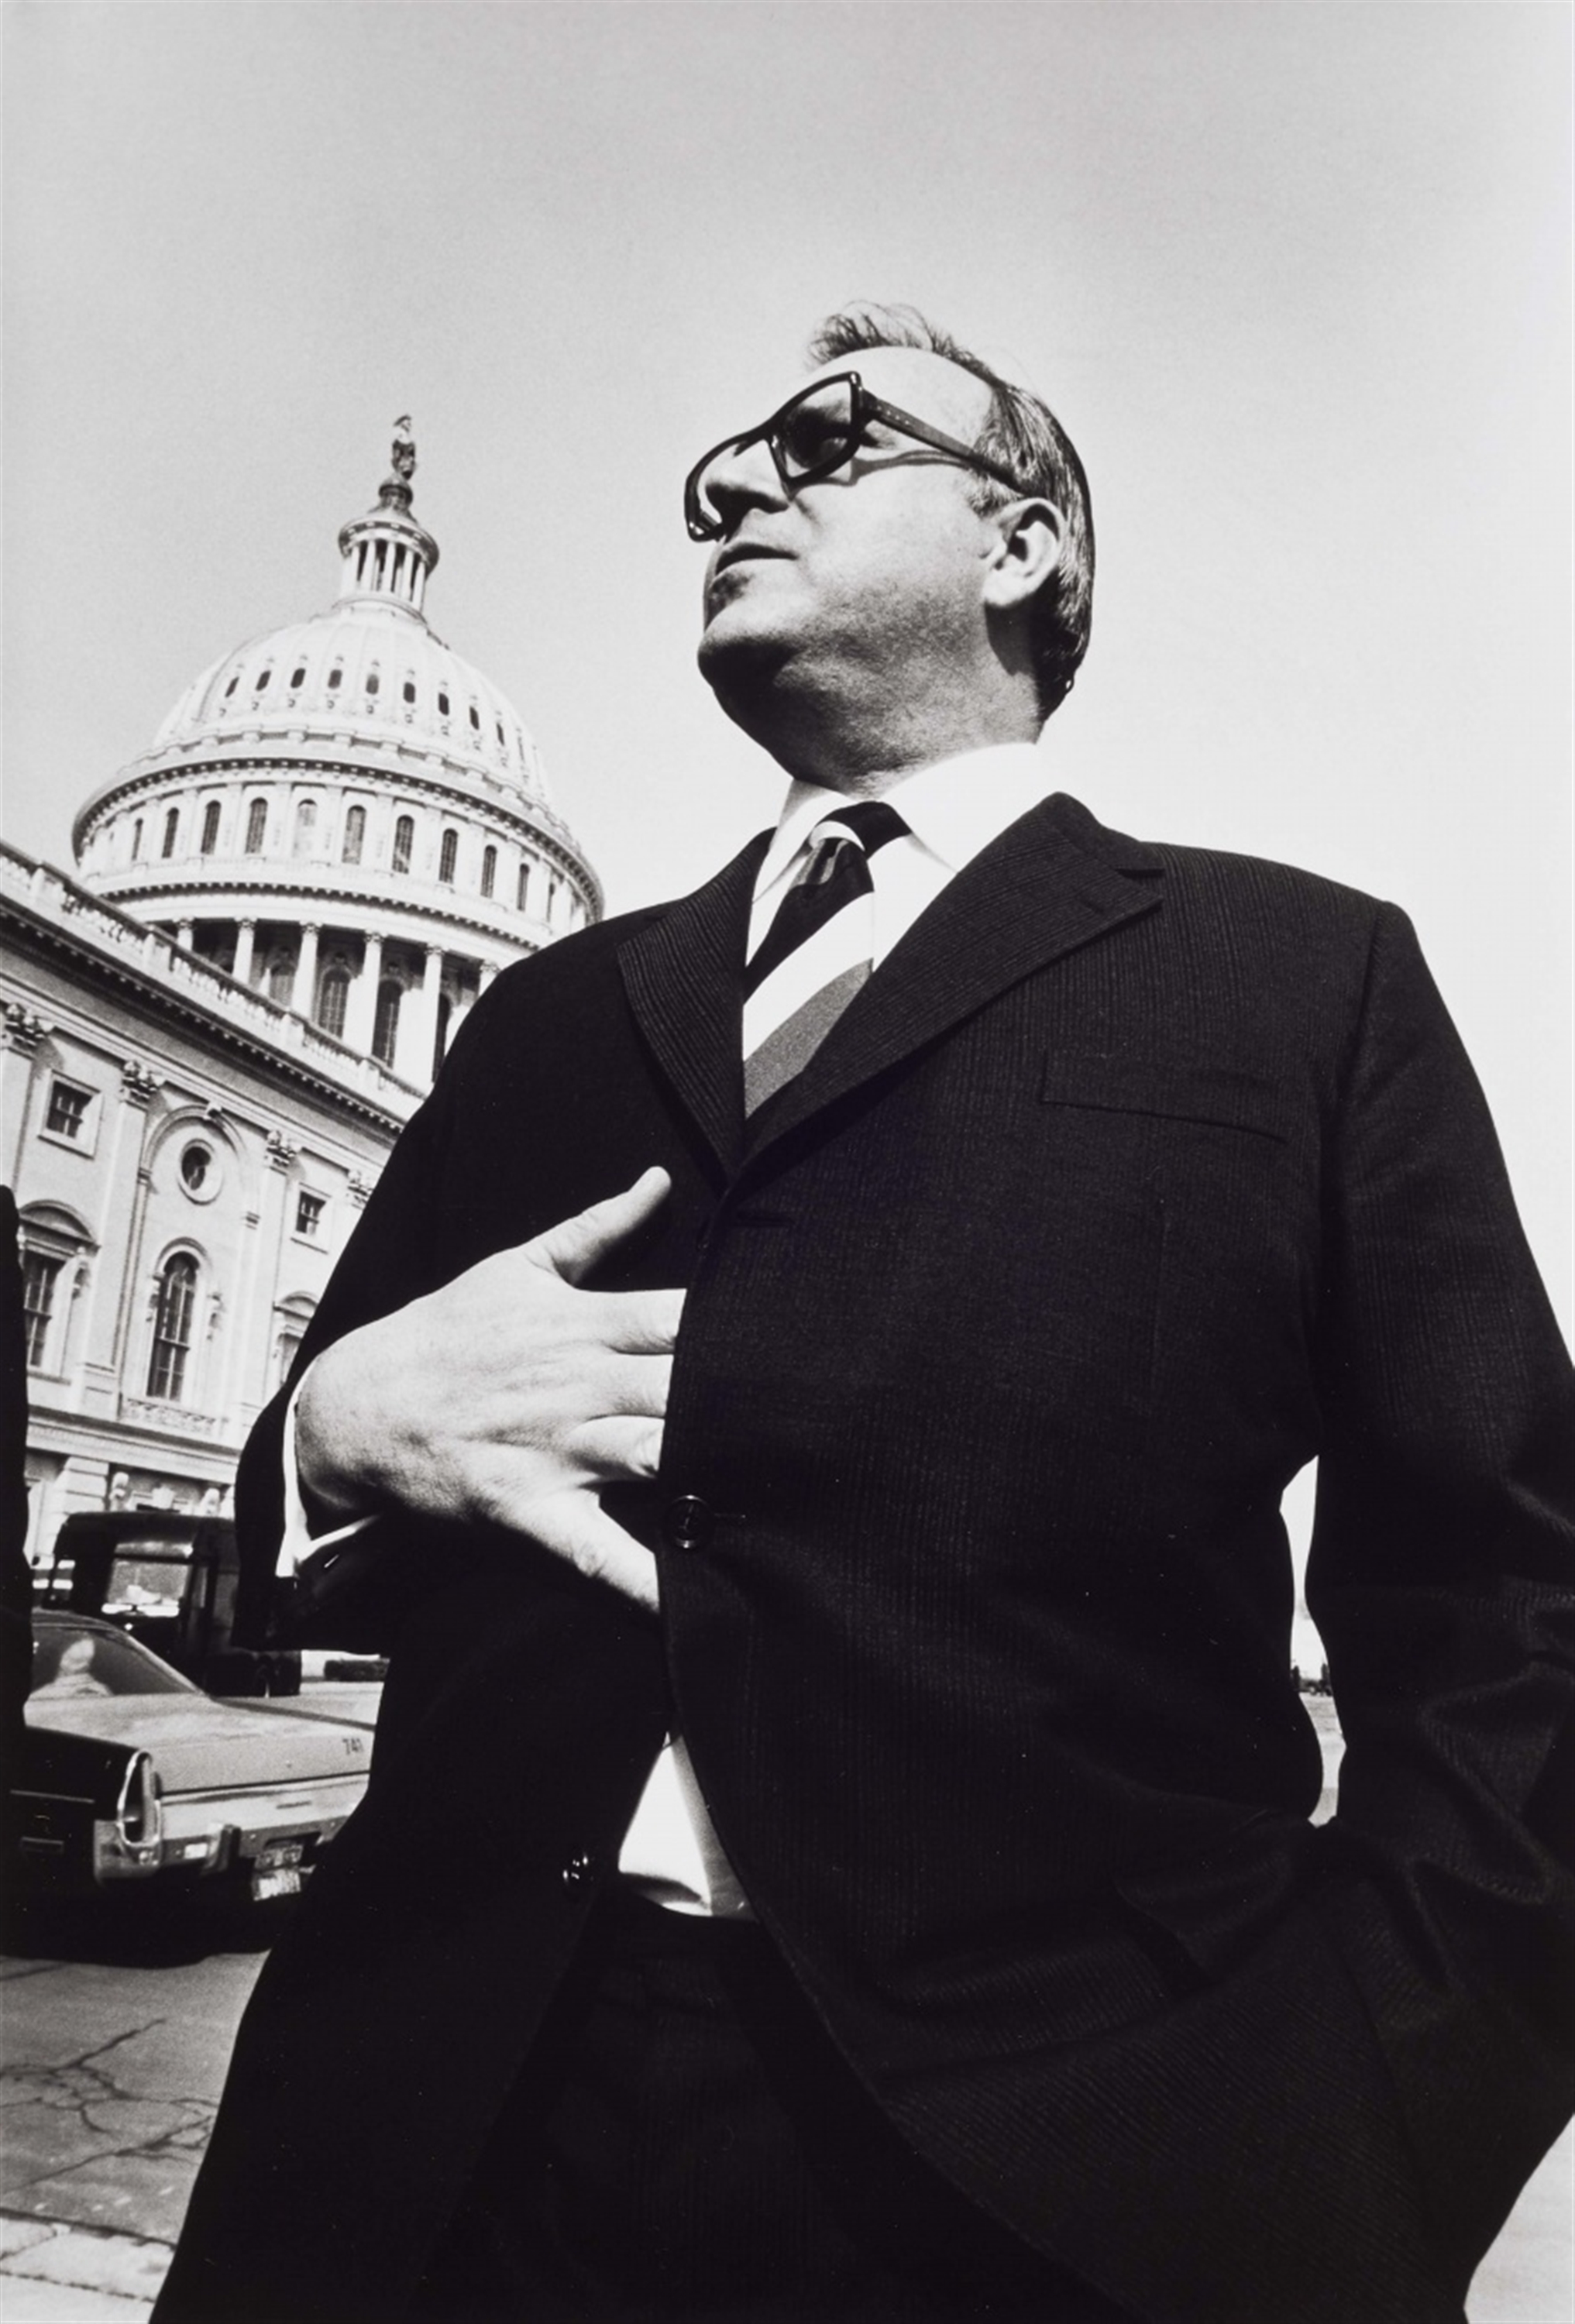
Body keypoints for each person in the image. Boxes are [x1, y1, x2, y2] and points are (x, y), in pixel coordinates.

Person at [154, 307, 1573, 2324]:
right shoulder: (552, 1015)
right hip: (440, 2148)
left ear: (1021, 543)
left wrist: (1369, 2119)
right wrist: (321, 1443)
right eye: (719, 472)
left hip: (1059, 2178)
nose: (740, 483)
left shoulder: (1295, 982)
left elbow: (1509, 1605)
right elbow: (265, 1565)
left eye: (824, 440)